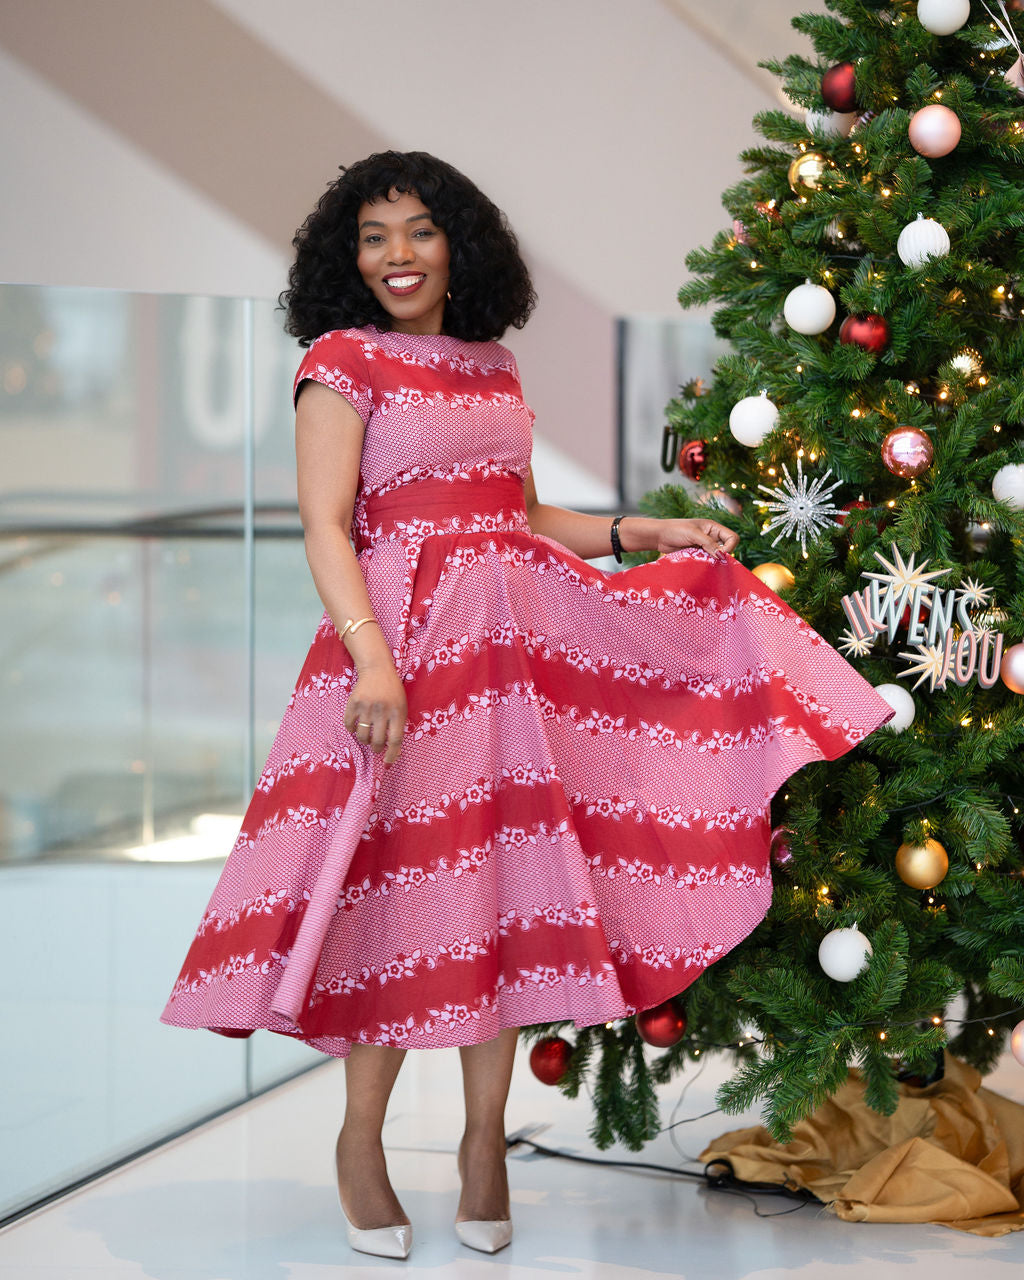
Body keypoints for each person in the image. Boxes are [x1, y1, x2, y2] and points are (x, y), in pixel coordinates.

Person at [161, 150, 893, 1259]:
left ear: (458, 243)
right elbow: (326, 524)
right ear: (346, 259)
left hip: (508, 662)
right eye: (373, 237)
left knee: (497, 895)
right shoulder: (342, 361)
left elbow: (521, 517)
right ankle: (360, 1140)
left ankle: (482, 1144)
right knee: (392, 897)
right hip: (402, 657)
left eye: (418, 230)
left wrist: (643, 530)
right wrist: (372, 662)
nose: (398, 255)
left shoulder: (492, 367)